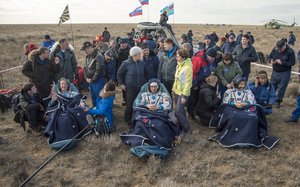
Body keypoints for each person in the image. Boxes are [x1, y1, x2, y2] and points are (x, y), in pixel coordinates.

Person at [117, 46, 147, 125]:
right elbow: (119, 74)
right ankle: (128, 120)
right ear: (134, 55)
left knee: (140, 104)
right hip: (130, 88)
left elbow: (145, 73)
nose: (140, 55)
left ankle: (138, 118)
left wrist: (145, 82)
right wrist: (121, 84)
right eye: (139, 54)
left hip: (141, 87)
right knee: (130, 104)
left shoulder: (142, 63)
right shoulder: (126, 63)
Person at [187, 48, 217, 120]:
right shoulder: (198, 59)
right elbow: (192, 73)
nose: (212, 60)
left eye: (214, 58)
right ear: (207, 55)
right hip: (194, 83)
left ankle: (196, 111)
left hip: (201, 81)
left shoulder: (208, 60)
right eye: (211, 58)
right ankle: (190, 113)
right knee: (192, 98)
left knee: (198, 97)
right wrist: (194, 85)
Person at [269, 39, 295, 108]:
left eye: (280, 49)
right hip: (274, 72)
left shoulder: (290, 51)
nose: (279, 51)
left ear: (284, 46)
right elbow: (270, 56)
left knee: (281, 88)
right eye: (278, 49)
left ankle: (278, 101)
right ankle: (271, 100)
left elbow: (292, 63)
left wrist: (282, 63)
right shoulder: (275, 49)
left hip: (285, 73)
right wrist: (271, 60)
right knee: (272, 86)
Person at [172, 49, 193, 134]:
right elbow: (177, 79)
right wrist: (173, 89)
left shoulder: (188, 68)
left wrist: (184, 96)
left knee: (178, 112)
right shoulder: (179, 65)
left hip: (183, 93)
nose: (176, 57)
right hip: (176, 91)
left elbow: (188, 83)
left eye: (178, 56)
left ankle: (187, 129)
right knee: (181, 111)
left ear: (183, 57)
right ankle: (181, 126)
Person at [81, 41, 106, 106]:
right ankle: (94, 110)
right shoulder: (88, 57)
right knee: (93, 97)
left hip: (98, 81)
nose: (85, 52)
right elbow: (85, 68)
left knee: (99, 97)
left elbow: (99, 70)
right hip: (91, 81)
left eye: (85, 50)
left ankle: (99, 113)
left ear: (89, 47)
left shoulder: (98, 56)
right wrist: (86, 78)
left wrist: (92, 80)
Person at [116, 38, 130, 106]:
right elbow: (117, 62)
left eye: (123, 43)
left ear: (126, 43)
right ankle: (124, 99)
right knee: (123, 85)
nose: (121, 45)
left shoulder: (130, 50)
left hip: (130, 71)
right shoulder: (118, 51)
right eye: (120, 44)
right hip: (122, 71)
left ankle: (129, 99)